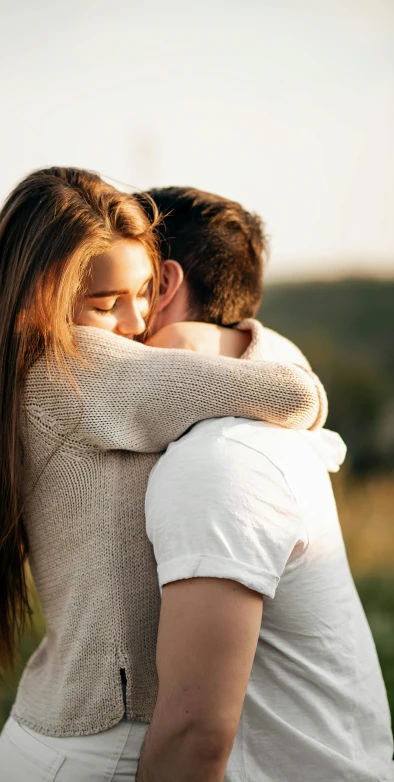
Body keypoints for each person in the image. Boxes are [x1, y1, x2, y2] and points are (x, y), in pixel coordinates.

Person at [0, 167, 327, 781]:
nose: (135, 322)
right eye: (106, 304)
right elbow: (296, 395)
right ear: (36, 300)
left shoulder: (22, 377)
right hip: (102, 748)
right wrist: (201, 339)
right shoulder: (83, 369)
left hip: (58, 734)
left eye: (147, 291)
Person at [136, 187, 394, 781]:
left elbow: (193, 735)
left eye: (118, 289)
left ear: (164, 285)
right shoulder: (250, 420)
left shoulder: (218, 458)